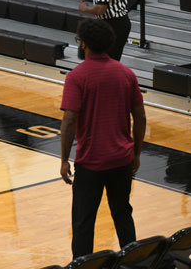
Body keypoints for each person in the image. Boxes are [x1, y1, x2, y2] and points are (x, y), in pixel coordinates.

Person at [60, 19, 146, 259]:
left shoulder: (77, 77)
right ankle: (133, 263)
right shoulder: (126, 74)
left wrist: (64, 159)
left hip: (90, 163)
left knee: (83, 222)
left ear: (84, 44)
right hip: (121, 161)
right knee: (123, 214)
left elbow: (69, 120)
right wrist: (136, 152)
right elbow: (140, 117)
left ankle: (83, 265)